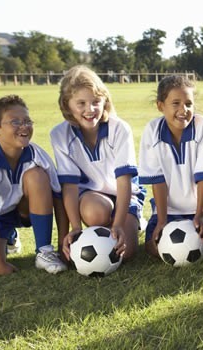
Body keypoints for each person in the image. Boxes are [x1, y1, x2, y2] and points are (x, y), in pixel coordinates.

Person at [138, 75, 203, 257]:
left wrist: (200, 216)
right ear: (160, 106)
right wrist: (162, 220)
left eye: (189, 104)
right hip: (170, 211)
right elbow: (158, 180)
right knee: (154, 249)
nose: (183, 109)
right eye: (176, 103)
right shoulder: (152, 130)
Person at [0, 94, 68, 275]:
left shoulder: (37, 154)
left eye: (28, 121)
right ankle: (9, 236)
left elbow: (58, 198)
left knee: (37, 176)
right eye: (15, 122)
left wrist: (63, 247)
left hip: (23, 210)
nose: (24, 126)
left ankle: (44, 252)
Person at [51, 65, 145, 262]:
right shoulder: (60, 135)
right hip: (91, 198)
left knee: (124, 254)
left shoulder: (119, 129)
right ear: (67, 104)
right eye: (81, 103)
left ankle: (130, 220)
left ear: (105, 102)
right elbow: (69, 186)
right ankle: (102, 225)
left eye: (96, 102)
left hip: (123, 194)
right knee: (95, 213)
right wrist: (76, 228)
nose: (90, 109)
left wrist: (119, 224)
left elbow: (124, 181)